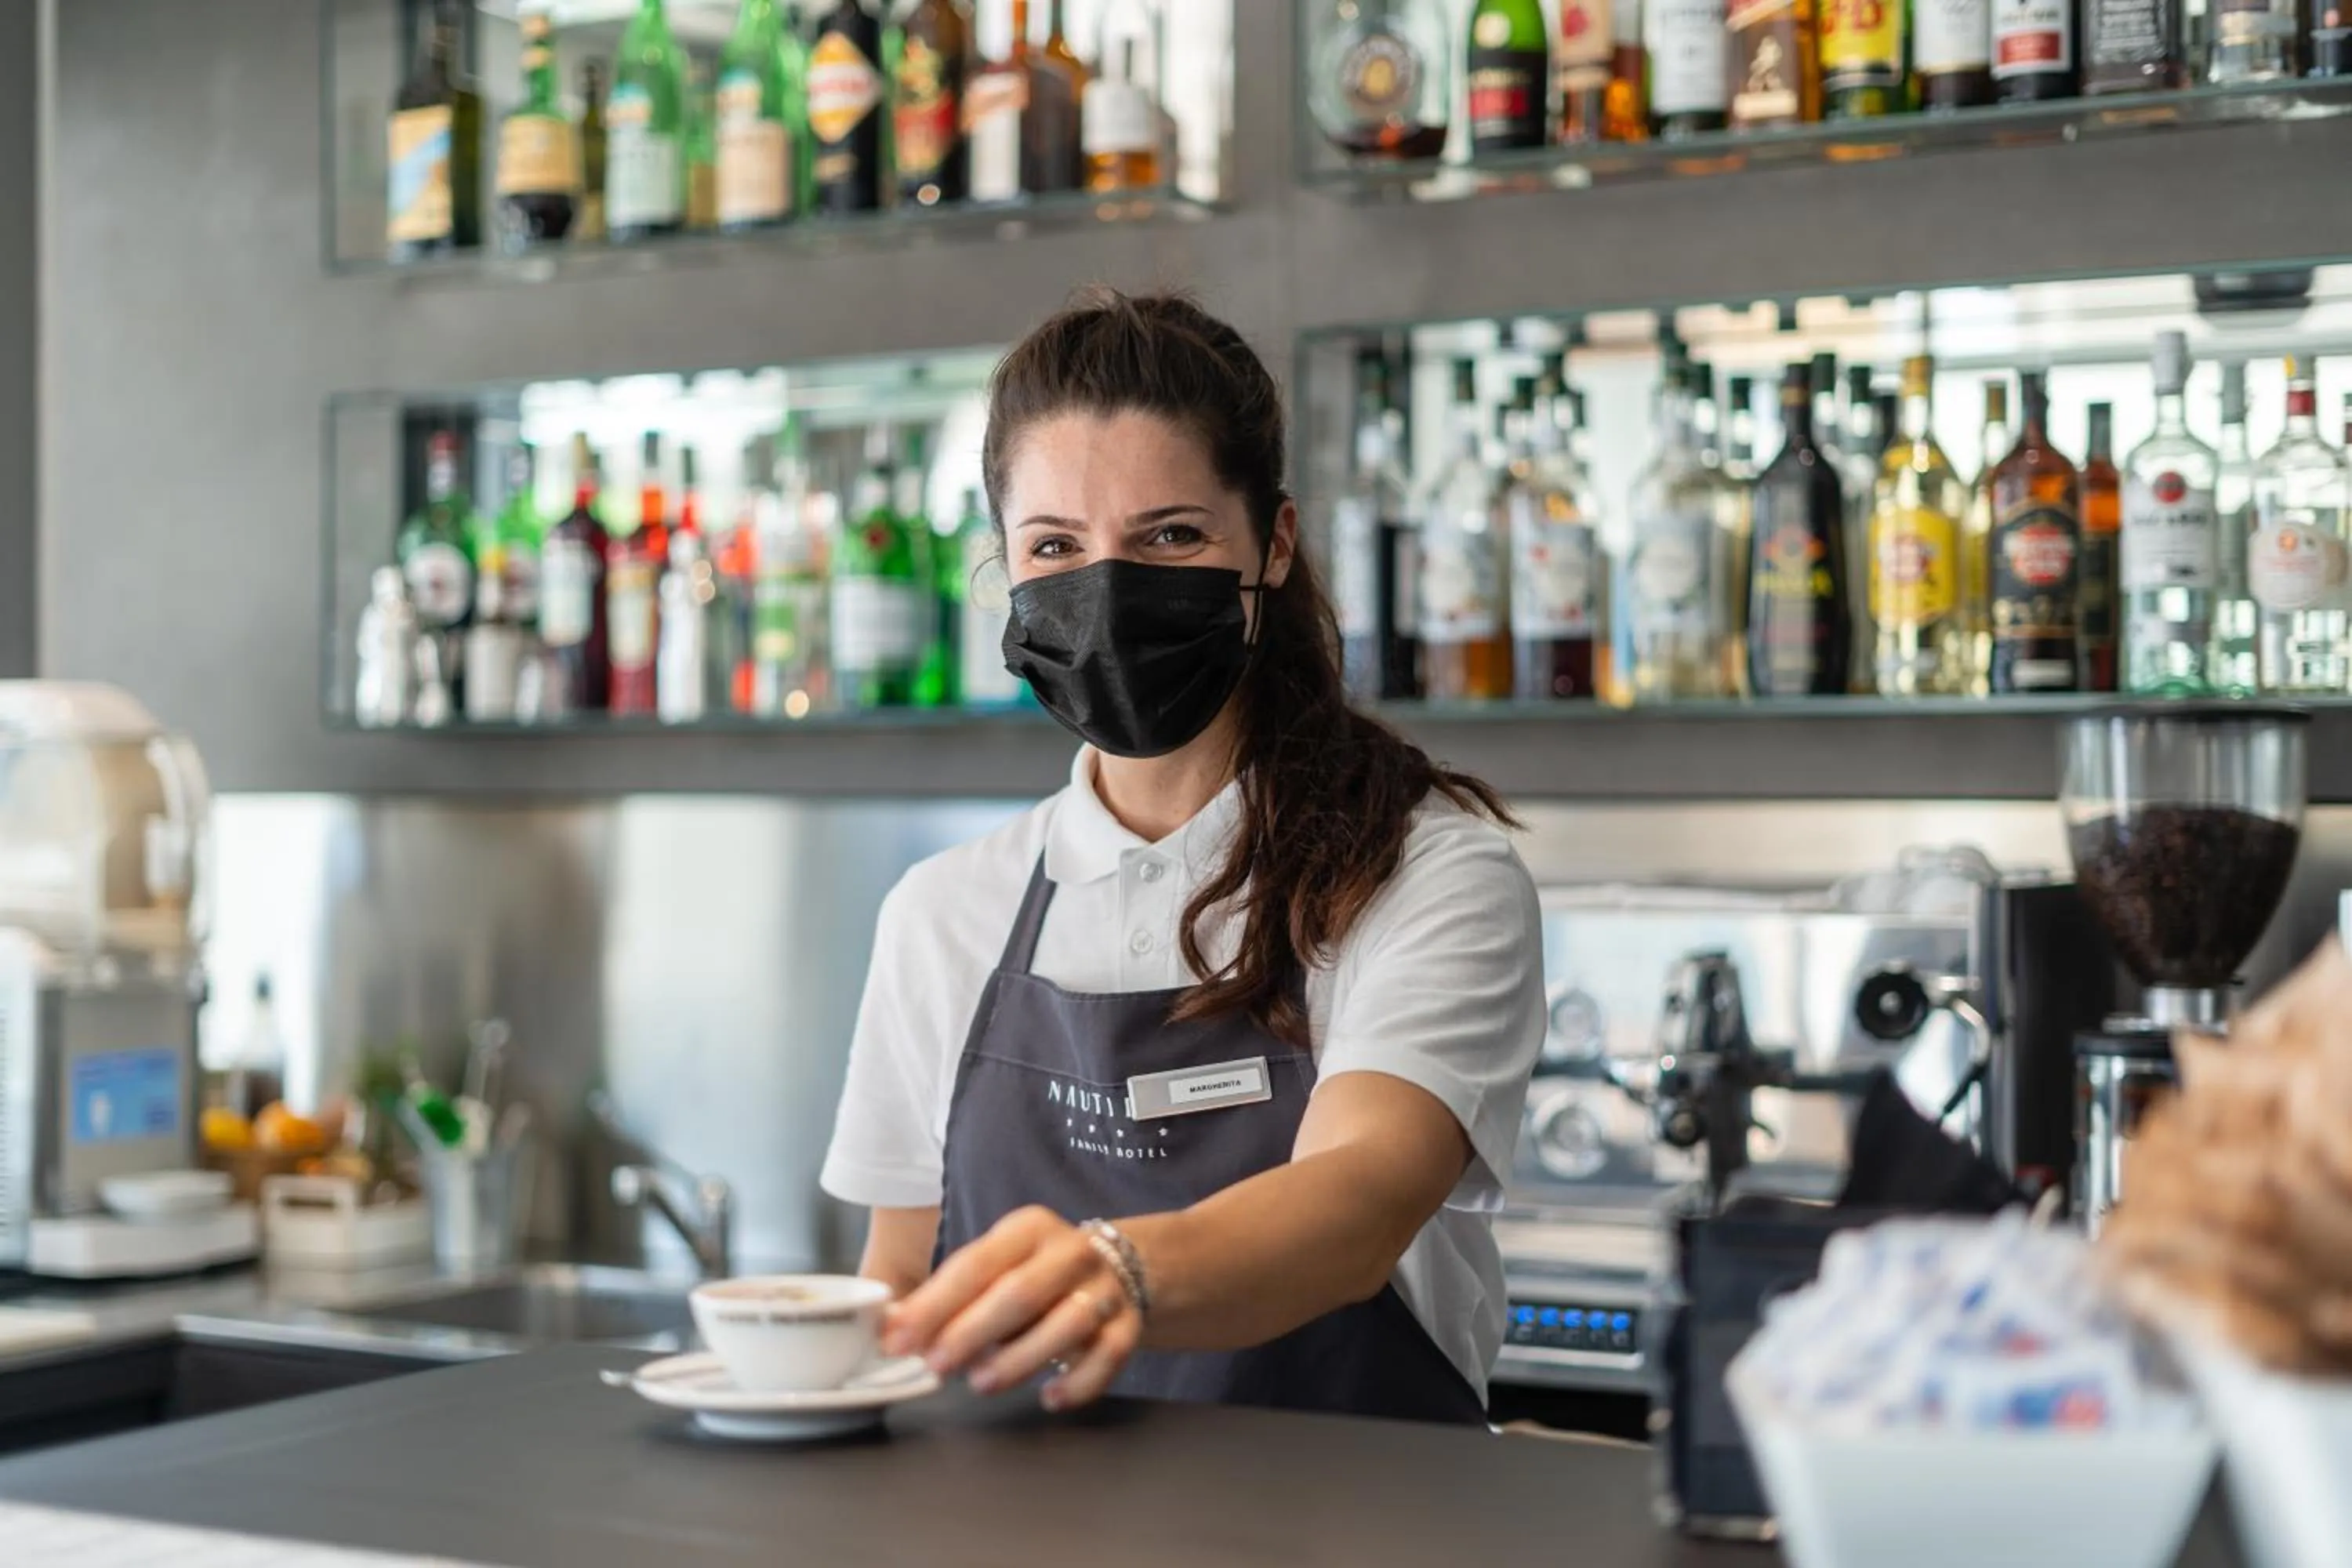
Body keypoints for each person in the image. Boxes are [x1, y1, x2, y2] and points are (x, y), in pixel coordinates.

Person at [818, 289, 1545, 1424]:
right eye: (1055, 547)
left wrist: (1118, 1272)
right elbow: (901, 1282)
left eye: (1171, 536)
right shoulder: (943, 912)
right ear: (1005, 574)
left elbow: (1354, 1206)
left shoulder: (1427, 875)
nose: (1106, 593)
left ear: (1276, 544)